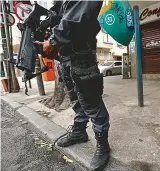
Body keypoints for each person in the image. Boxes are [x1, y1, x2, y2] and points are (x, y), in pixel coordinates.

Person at [35, 1, 110, 170]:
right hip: (64, 56)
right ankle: (79, 132)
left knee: (91, 101)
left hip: (81, 55)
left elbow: (78, 18)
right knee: (75, 98)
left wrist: (53, 39)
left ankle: (103, 145)